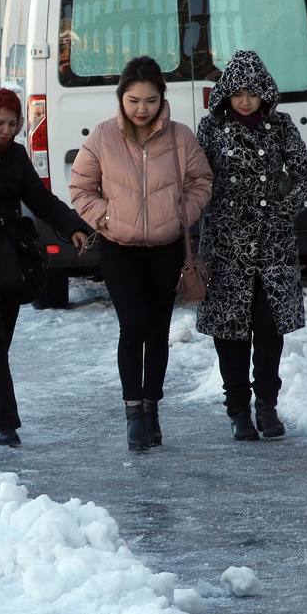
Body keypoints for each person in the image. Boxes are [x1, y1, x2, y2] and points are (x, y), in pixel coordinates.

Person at [69, 56, 212, 452]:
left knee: (157, 329)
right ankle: (133, 413)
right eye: (133, 100)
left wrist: (185, 210)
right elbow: (80, 187)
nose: (141, 109)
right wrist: (107, 217)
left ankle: (153, 407)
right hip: (120, 249)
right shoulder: (102, 137)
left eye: (150, 100)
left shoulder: (181, 137)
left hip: (166, 248)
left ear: (162, 99)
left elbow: (202, 180)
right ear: (121, 99)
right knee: (132, 326)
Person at [0, 88, 90, 447]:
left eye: (12, 124)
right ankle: (4, 421)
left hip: (8, 258)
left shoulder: (16, 155)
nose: (5, 130)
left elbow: (39, 198)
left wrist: (72, 225)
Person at [196, 51, 307, 441]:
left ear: (264, 91)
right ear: (225, 95)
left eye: (252, 92)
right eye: (236, 93)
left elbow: (305, 172)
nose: (245, 100)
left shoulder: (280, 126)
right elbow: (196, 178)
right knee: (230, 328)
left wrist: (285, 209)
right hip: (226, 244)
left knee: (269, 326)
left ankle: (267, 403)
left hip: (272, 245)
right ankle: (237, 407)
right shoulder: (211, 129)